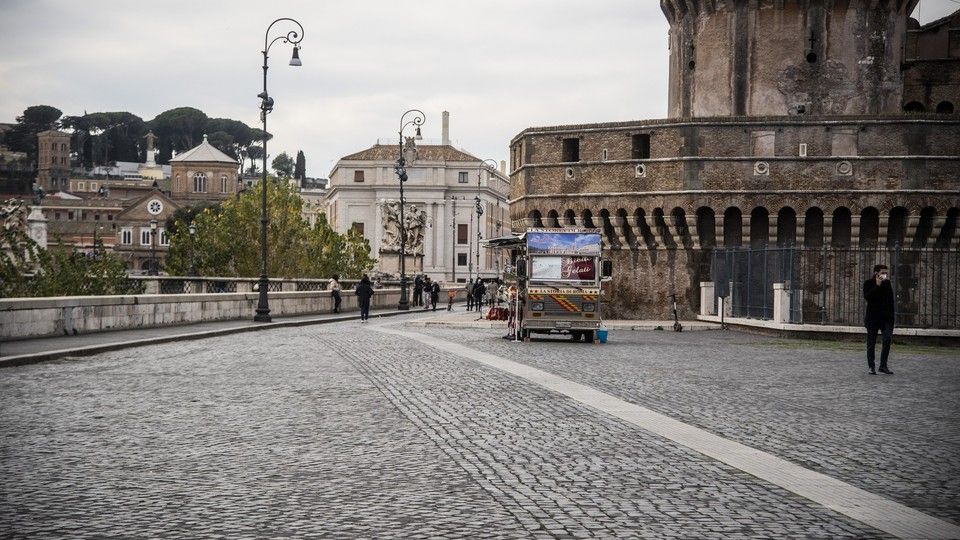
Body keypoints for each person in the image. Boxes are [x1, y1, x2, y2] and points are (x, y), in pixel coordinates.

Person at [864, 264, 895, 375]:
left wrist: (892, 319)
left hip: (886, 319)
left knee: (887, 340)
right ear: (876, 273)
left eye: (886, 273)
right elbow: (867, 297)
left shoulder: (887, 284)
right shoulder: (868, 283)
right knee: (871, 343)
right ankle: (871, 367)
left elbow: (891, 302)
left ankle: (883, 366)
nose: (885, 275)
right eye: (883, 272)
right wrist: (877, 286)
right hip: (872, 318)